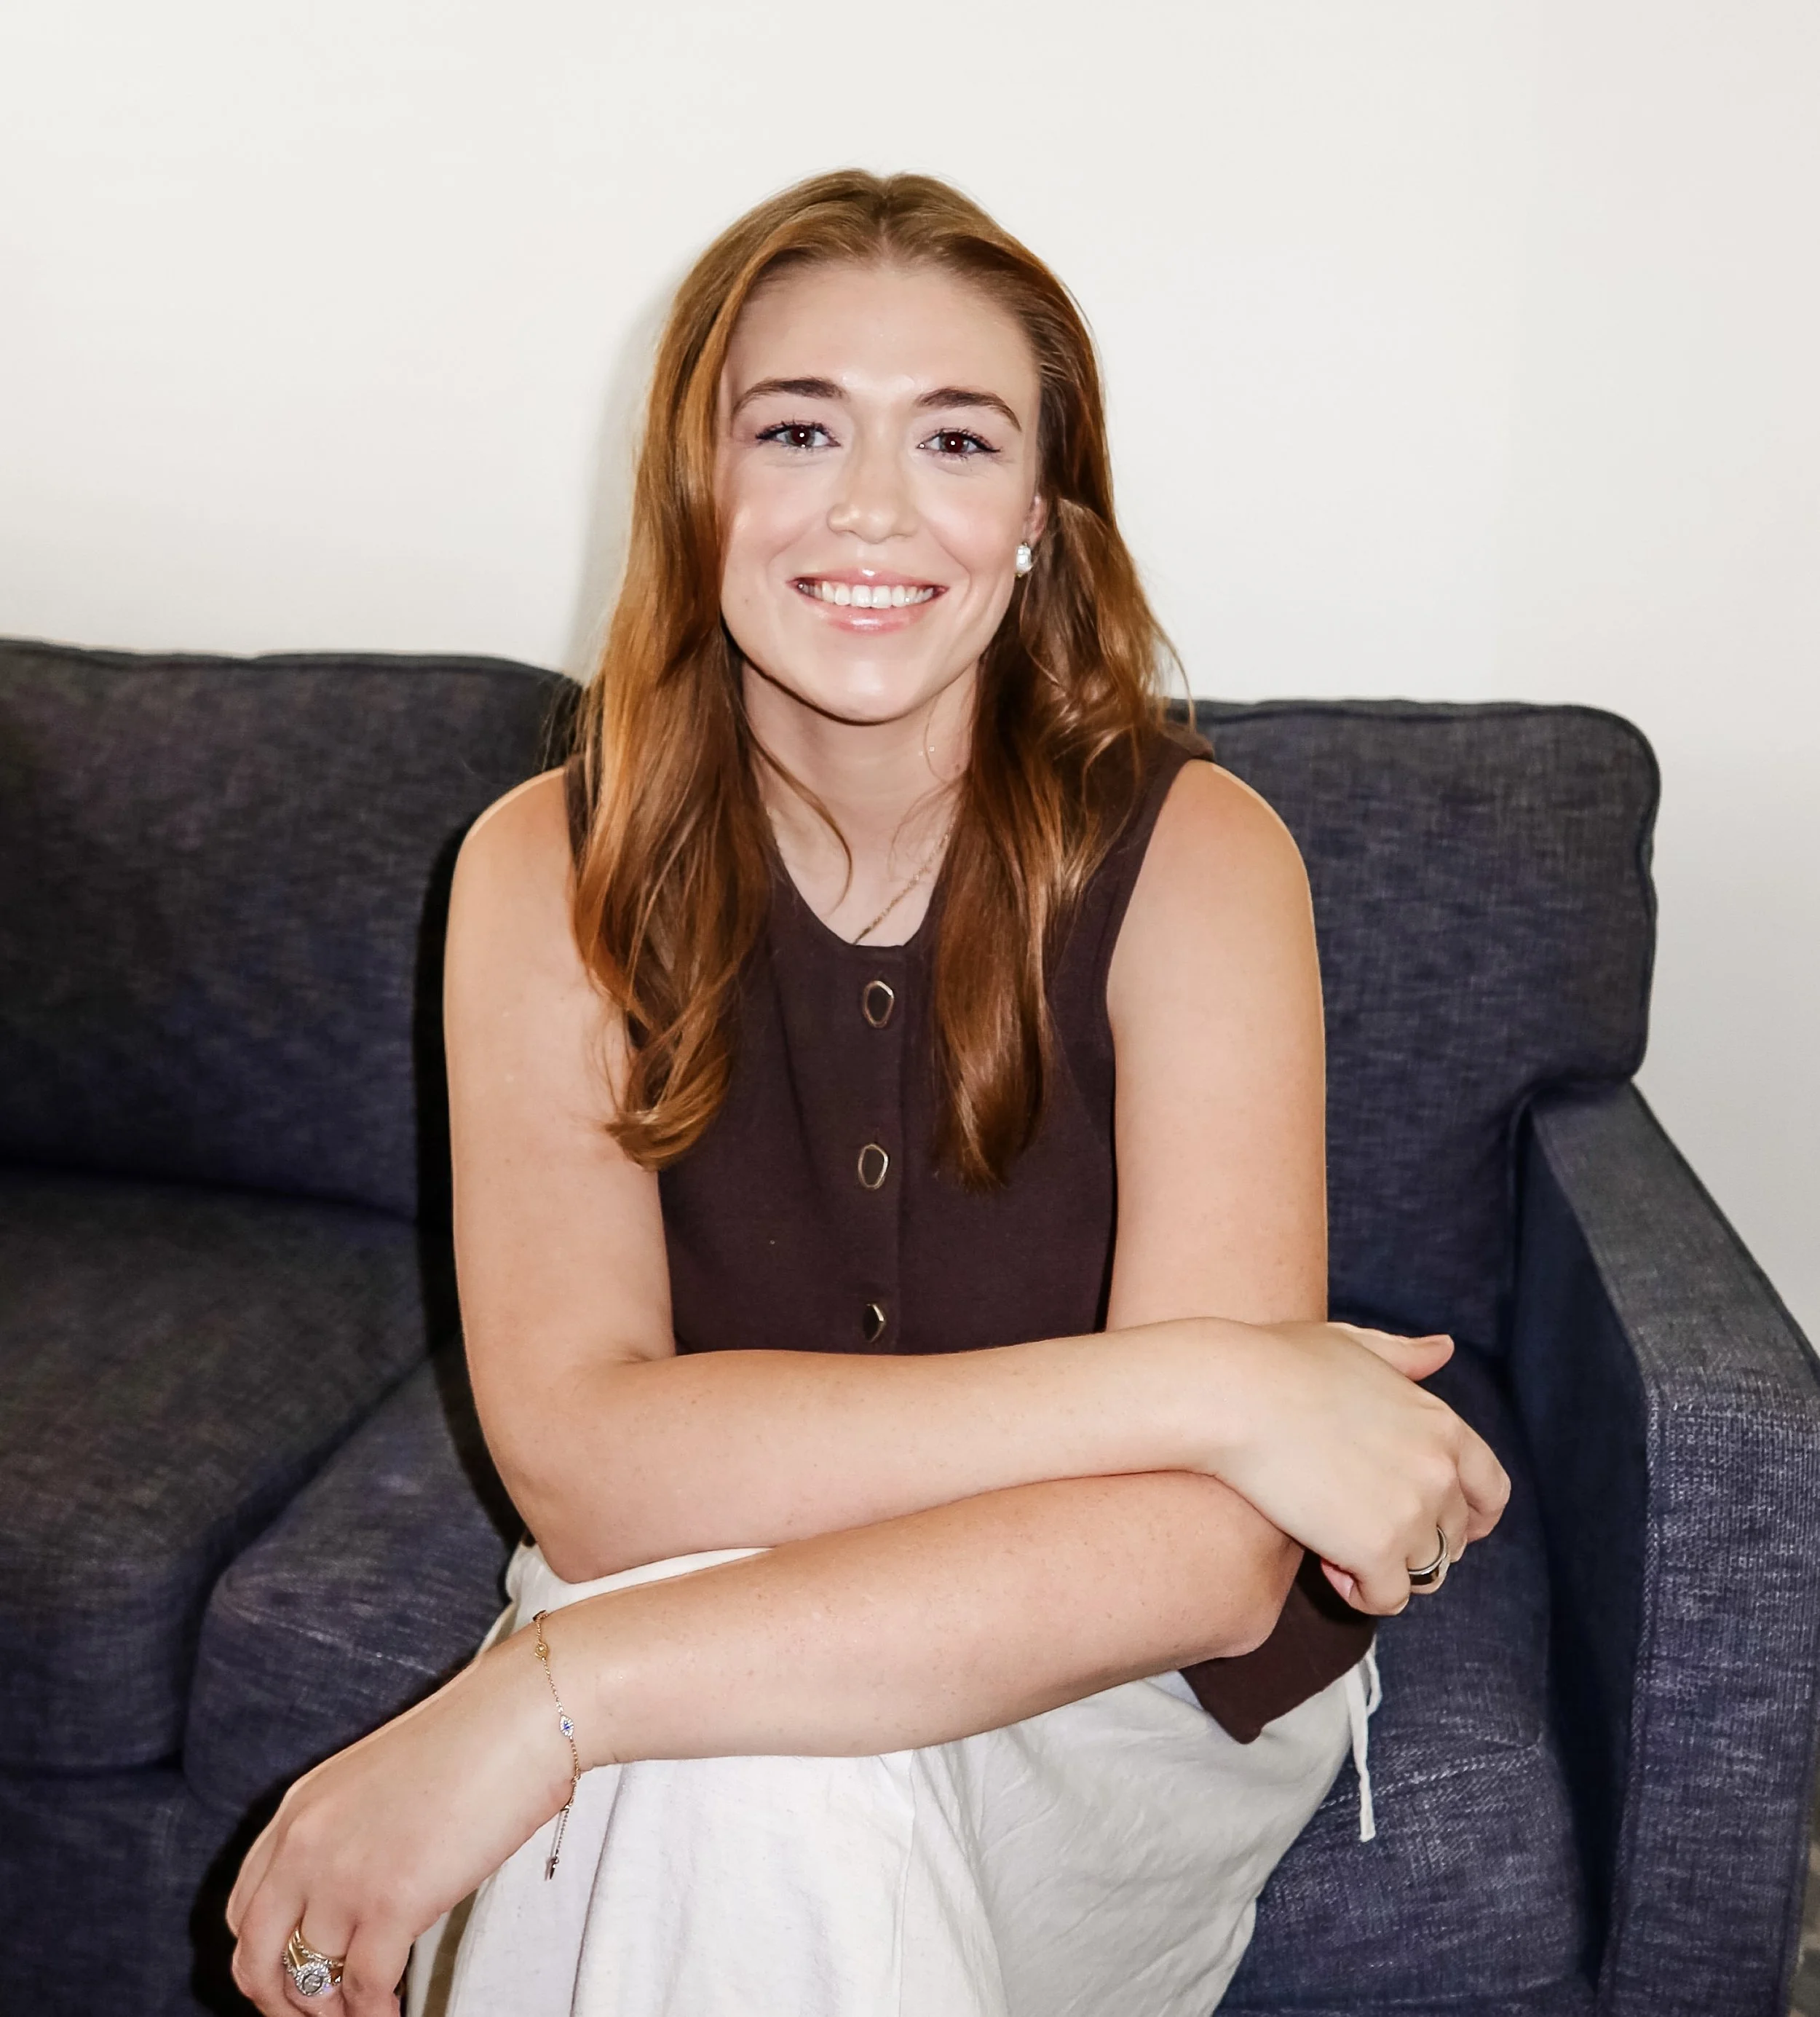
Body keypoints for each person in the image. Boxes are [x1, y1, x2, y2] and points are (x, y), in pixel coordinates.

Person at [226, 169, 1508, 2017]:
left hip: (1108, 1701)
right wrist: (1215, 1384)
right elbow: (587, 1467)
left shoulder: (1198, 854)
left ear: (1039, 529)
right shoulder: (540, 867)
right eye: (800, 427)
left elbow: (1206, 1556)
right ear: (698, 486)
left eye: (958, 439)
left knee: (711, 1783)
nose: (874, 508)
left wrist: (551, 1697)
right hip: (686, 1593)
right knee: (739, 1800)